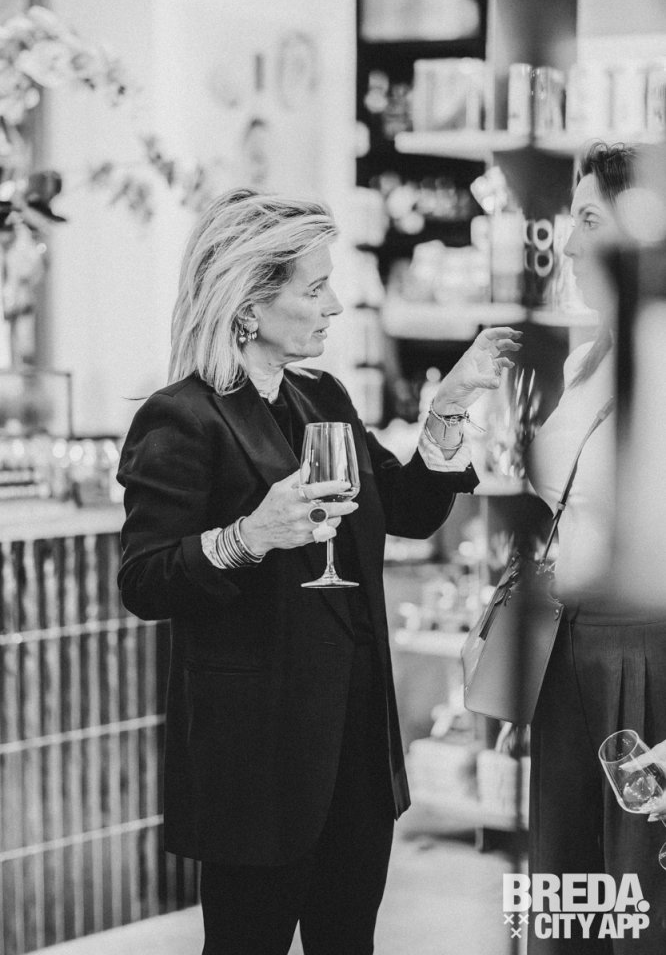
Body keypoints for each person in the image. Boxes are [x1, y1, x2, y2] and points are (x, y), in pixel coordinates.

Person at [116, 187, 521, 955]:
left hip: (356, 747)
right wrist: (247, 537)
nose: (335, 304)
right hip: (258, 758)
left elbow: (404, 509)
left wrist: (445, 410)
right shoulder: (181, 418)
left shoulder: (322, 396)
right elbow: (144, 580)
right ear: (248, 305)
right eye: (315, 288)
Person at [527, 142, 666, 954]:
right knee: (564, 887)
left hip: (646, 656)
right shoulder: (587, 359)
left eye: (588, 218)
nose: (571, 243)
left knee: (640, 889)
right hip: (567, 644)